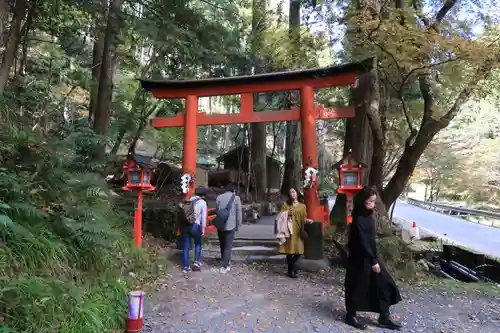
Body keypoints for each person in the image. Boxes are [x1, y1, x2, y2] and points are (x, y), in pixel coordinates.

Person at [344, 185, 403, 330]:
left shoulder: (369, 216)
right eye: (369, 201)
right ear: (362, 201)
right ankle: (350, 316)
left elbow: (370, 240)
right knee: (356, 287)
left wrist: (374, 258)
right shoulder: (358, 218)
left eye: (373, 202)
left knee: (385, 283)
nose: (371, 204)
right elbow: (363, 242)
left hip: (371, 256)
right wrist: (373, 261)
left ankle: (384, 317)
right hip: (360, 259)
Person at [279, 188, 312, 278]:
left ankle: (293, 266)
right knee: (289, 251)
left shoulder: (302, 206)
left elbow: (304, 218)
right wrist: (288, 213)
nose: (292, 194)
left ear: (297, 193)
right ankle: (291, 271)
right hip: (289, 230)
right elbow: (281, 216)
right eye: (290, 192)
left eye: (293, 192)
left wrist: (308, 221)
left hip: (298, 230)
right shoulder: (286, 205)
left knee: (299, 251)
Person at [215, 183, 242, 274]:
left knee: (222, 244)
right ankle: (224, 266)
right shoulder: (236, 198)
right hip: (231, 225)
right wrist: (238, 225)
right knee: (228, 246)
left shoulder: (219, 197)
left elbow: (217, 211)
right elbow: (238, 214)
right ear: (233, 190)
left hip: (220, 224)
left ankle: (225, 260)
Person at [181, 187, 208, 275]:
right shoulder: (202, 203)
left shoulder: (188, 200)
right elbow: (203, 218)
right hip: (195, 226)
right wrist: (203, 229)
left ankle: (186, 266)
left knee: (186, 246)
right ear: (204, 194)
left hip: (185, 225)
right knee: (198, 243)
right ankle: (196, 262)